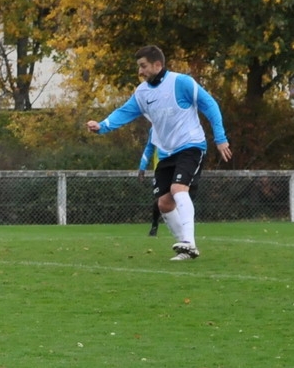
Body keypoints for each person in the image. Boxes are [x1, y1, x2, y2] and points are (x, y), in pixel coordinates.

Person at [87, 45, 231, 261]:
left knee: (178, 189)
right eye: (139, 67)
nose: (140, 71)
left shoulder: (181, 82)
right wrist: (102, 126)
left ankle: (188, 241)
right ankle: (186, 250)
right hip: (166, 152)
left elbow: (209, 105)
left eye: (143, 66)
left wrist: (220, 138)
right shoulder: (142, 92)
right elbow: (124, 112)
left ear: (157, 65)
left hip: (191, 145)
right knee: (164, 203)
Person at [137, 128, 199, 237]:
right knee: (161, 200)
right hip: (162, 170)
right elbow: (149, 148)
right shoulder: (154, 129)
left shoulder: (180, 125)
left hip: (180, 167)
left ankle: (187, 233)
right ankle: (155, 225)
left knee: (181, 195)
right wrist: (142, 167)